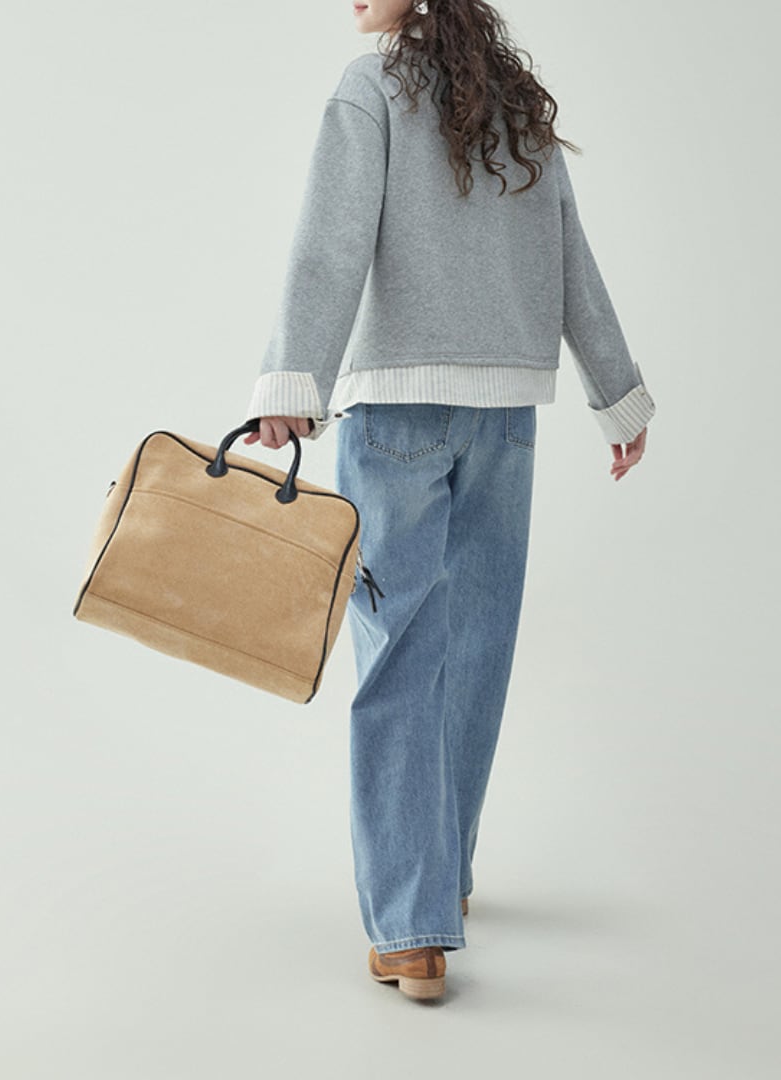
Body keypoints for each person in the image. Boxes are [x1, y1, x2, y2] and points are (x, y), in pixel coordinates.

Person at [241, 0, 656, 1002]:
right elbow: (572, 257)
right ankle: (443, 878)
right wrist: (618, 395)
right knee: (475, 649)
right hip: (506, 414)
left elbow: (330, 244)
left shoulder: (371, 88)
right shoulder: (514, 99)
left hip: (398, 412)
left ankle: (411, 928)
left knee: (399, 654)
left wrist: (291, 384)